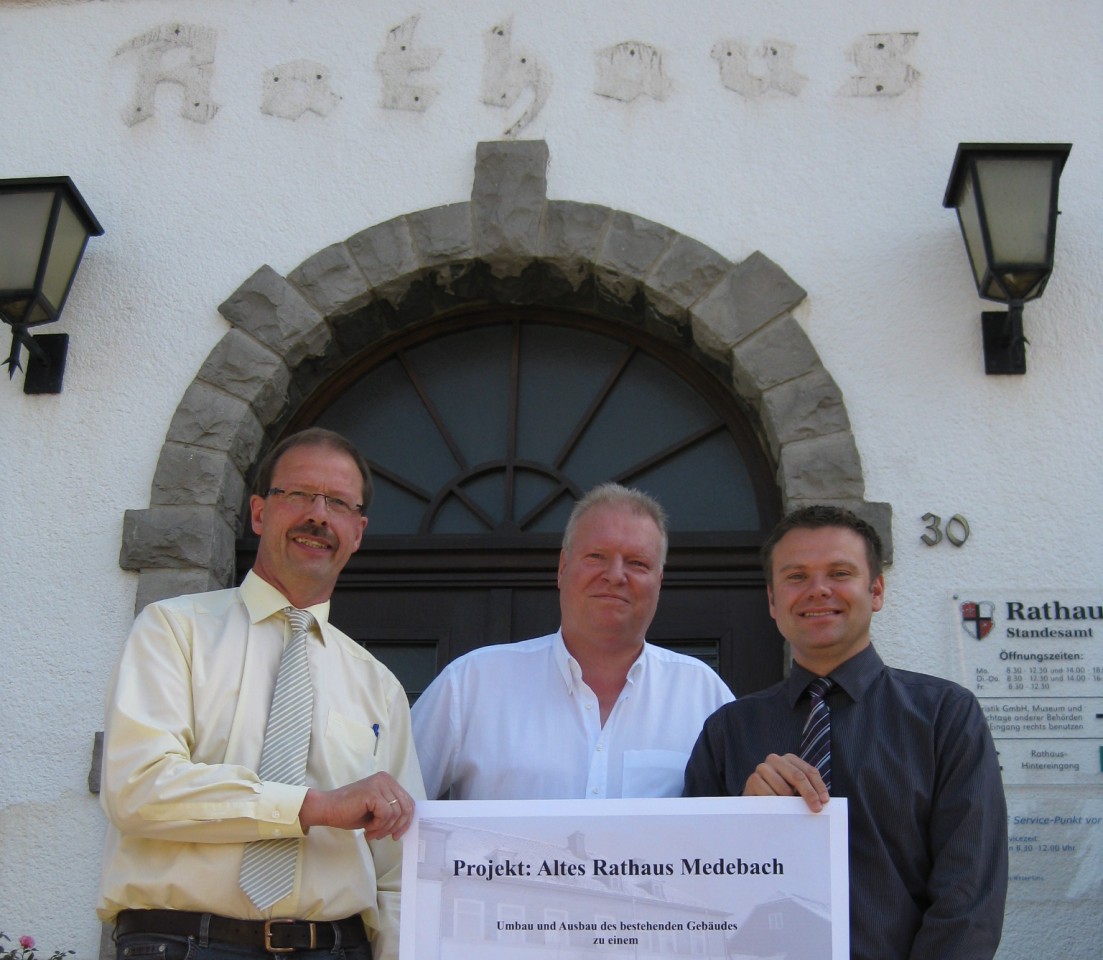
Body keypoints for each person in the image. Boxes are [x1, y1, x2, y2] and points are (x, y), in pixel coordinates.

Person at [98, 428, 425, 960]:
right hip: (182, 943)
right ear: (258, 512)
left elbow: (398, 870)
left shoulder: (379, 686)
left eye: (338, 503)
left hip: (336, 948)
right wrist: (313, 807)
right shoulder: (172, 630)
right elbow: (138, 788)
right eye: (298, 495)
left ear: (358, 531)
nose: (318, 515)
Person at [683, 505, 1008, 959]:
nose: (818, 590)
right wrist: (745, 825)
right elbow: (691, 887)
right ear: (773, 601)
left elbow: (969, 898)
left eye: (839, 572)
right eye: (796, 576)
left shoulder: (946, 717)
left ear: (875, 590)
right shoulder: (728, 730)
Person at [411, 482, 734, 800]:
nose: (615, 575)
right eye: (596, 556)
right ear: (562, 568)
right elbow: (388, 814)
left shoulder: (703, 693)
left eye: (637, 563)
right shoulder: (472, 684)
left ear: (659, 582)